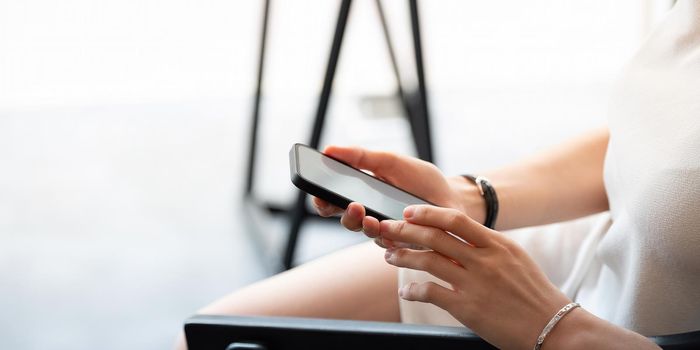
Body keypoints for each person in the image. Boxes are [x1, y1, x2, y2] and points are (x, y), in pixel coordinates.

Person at [176, 1, 700, 349]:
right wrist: (472, 199)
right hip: (590, 254)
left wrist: (554, 327)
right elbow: (642, 140)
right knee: (205, 338)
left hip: (592, 332)